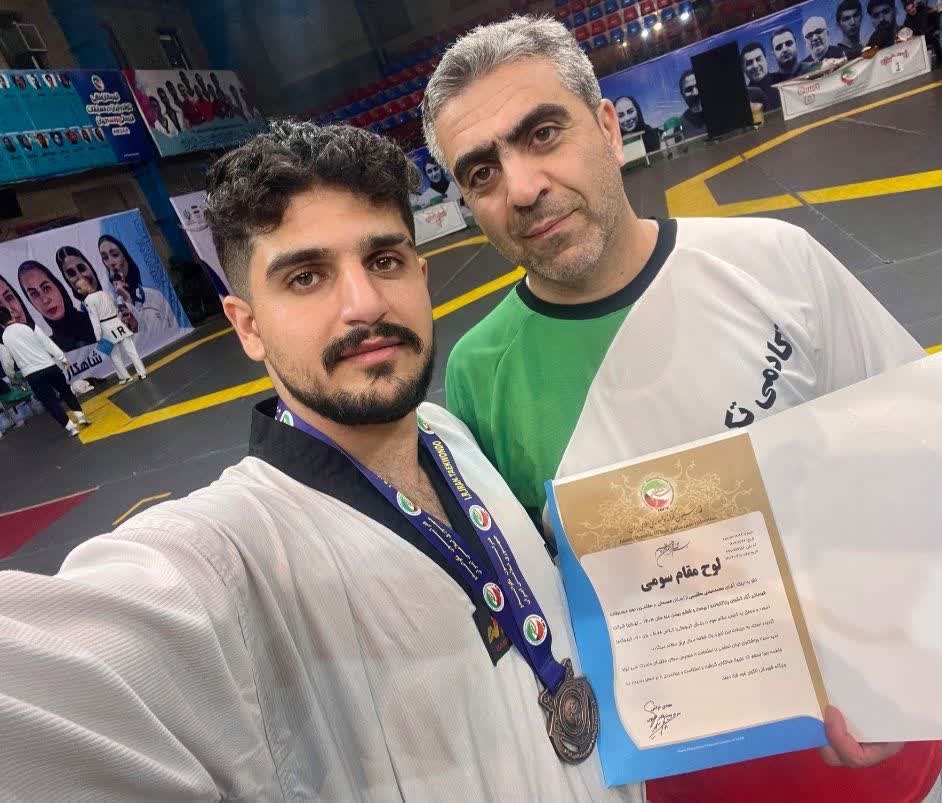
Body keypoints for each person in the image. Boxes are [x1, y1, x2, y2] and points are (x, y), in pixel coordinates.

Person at [0, 120, 635, 802]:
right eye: (306, 277)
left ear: (420, 277)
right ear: (248, 325)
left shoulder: (449, 433)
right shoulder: (227, 559)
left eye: (384, 261)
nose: (364, 304)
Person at [423, 15, 942, 803]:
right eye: (482, 171)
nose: (522, 188)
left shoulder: (774, 263)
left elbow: (927, 453)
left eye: (542, 133)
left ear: (607, 128)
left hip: (876, 759)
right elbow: (539, 609)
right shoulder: (477, 377)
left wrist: (922, 666)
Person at [0, 306, 89, 437]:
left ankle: (71, 428)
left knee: (50, 401)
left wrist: (12, 377)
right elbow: (48, 343)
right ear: (11, 314)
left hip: (32, 374)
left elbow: (7, 363)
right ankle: (81, 417)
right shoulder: (30, 326)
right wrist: (62, 358)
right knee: (65, 391)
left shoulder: (3, 339)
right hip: (50, 366)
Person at [98, 234, 179, 339]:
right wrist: (126, 301)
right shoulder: (110, 309)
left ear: (126, 257)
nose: (111, 263)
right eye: (105, 258)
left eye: (115, 254)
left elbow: (177, 331)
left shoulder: (154, 296)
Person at [73, 272, 147, 385]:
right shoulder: (104, 293)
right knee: (131, 350)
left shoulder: (88, 300)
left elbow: (94, 319)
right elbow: (115, 308)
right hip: (117, 322)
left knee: (114, 355)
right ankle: (142, 372)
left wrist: (98, 336)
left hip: (106, 327)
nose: (78, 291)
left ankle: (125, 377)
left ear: (84, 287)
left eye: (79, 288)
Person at [17, 260, 96, 351]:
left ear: (58, 287)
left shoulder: (96, 320)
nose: (45, 300)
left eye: (46, 288)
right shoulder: (48, 350)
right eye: (34, 294)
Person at [903, 0, 942, 65]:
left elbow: (936, 18)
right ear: (907, 12)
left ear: (915, 6)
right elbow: (908, 33)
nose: (912, 10)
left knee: (935, 40)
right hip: (918, 40)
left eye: (912, 7)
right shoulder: (907, 21)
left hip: (929, 34)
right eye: (909, 10)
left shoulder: (925, 10)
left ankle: (940, 62)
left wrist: (934, 29)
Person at [741, 42, 780, 110]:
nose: (755, 66)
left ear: (766, 60)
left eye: (758, 59)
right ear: (743, 68)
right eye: (749, 63)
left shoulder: (782, 79)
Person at [677, 69, 705, 137]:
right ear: (682, 94)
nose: (695, 93)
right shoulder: (680, 125)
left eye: (698, 86)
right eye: (689, 89)